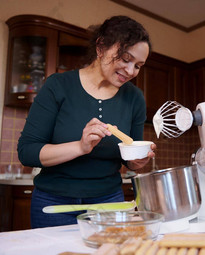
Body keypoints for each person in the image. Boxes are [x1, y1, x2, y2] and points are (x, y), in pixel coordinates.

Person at [17, 15, 156, 228]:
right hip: (54, 202)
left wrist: (137, 162)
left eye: (138, 65)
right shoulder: (58, 86)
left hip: (109, 203)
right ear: (101, 47)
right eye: (125, 59)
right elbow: (27, 152)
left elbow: (130, 155)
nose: (131, 71)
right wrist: (81, 147)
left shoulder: (134, 98)